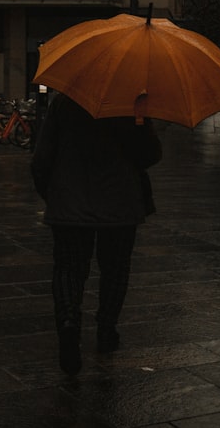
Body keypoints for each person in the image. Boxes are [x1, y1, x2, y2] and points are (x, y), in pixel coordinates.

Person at [31, 92, 162, 375]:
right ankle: (106, 329)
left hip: (70, 203)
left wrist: (54, 195)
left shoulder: (64, 101)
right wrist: (141, 121)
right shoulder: (132, 101)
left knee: (68, 269)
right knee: (115, 269)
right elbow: (150, 156)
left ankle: (68, 322)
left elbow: (41, 157)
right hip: (120, 204)